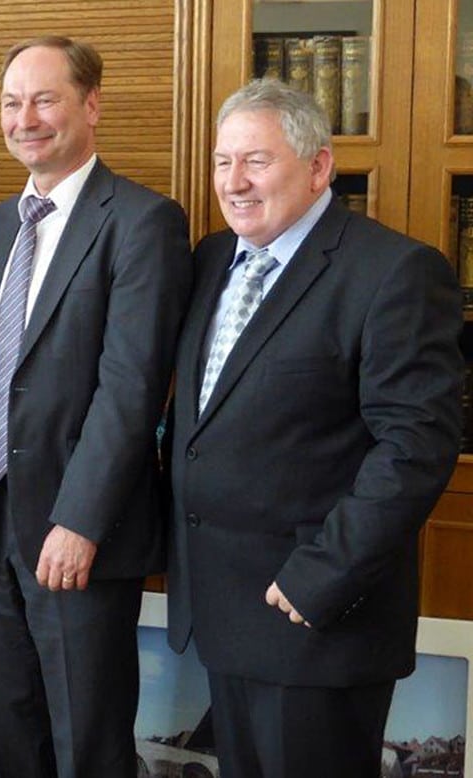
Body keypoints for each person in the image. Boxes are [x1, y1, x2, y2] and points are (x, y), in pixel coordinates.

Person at [165, 78, 463, 778]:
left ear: (320, 166)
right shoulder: (211, 260)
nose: (233, 182)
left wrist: (321, 577)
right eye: (220, 161)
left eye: (256, 161)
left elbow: (416, 448)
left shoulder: (394, 272)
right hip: (222, 615)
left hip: (315, 620)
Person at [0, 36, 192, 778]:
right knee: (11, 735)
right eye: (12, 103)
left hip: (79, 531)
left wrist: (79, 519)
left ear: (92, 105)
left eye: (45, 99)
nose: (26, 118)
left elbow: (133, 389)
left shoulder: (142, 222)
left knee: (87, 742)